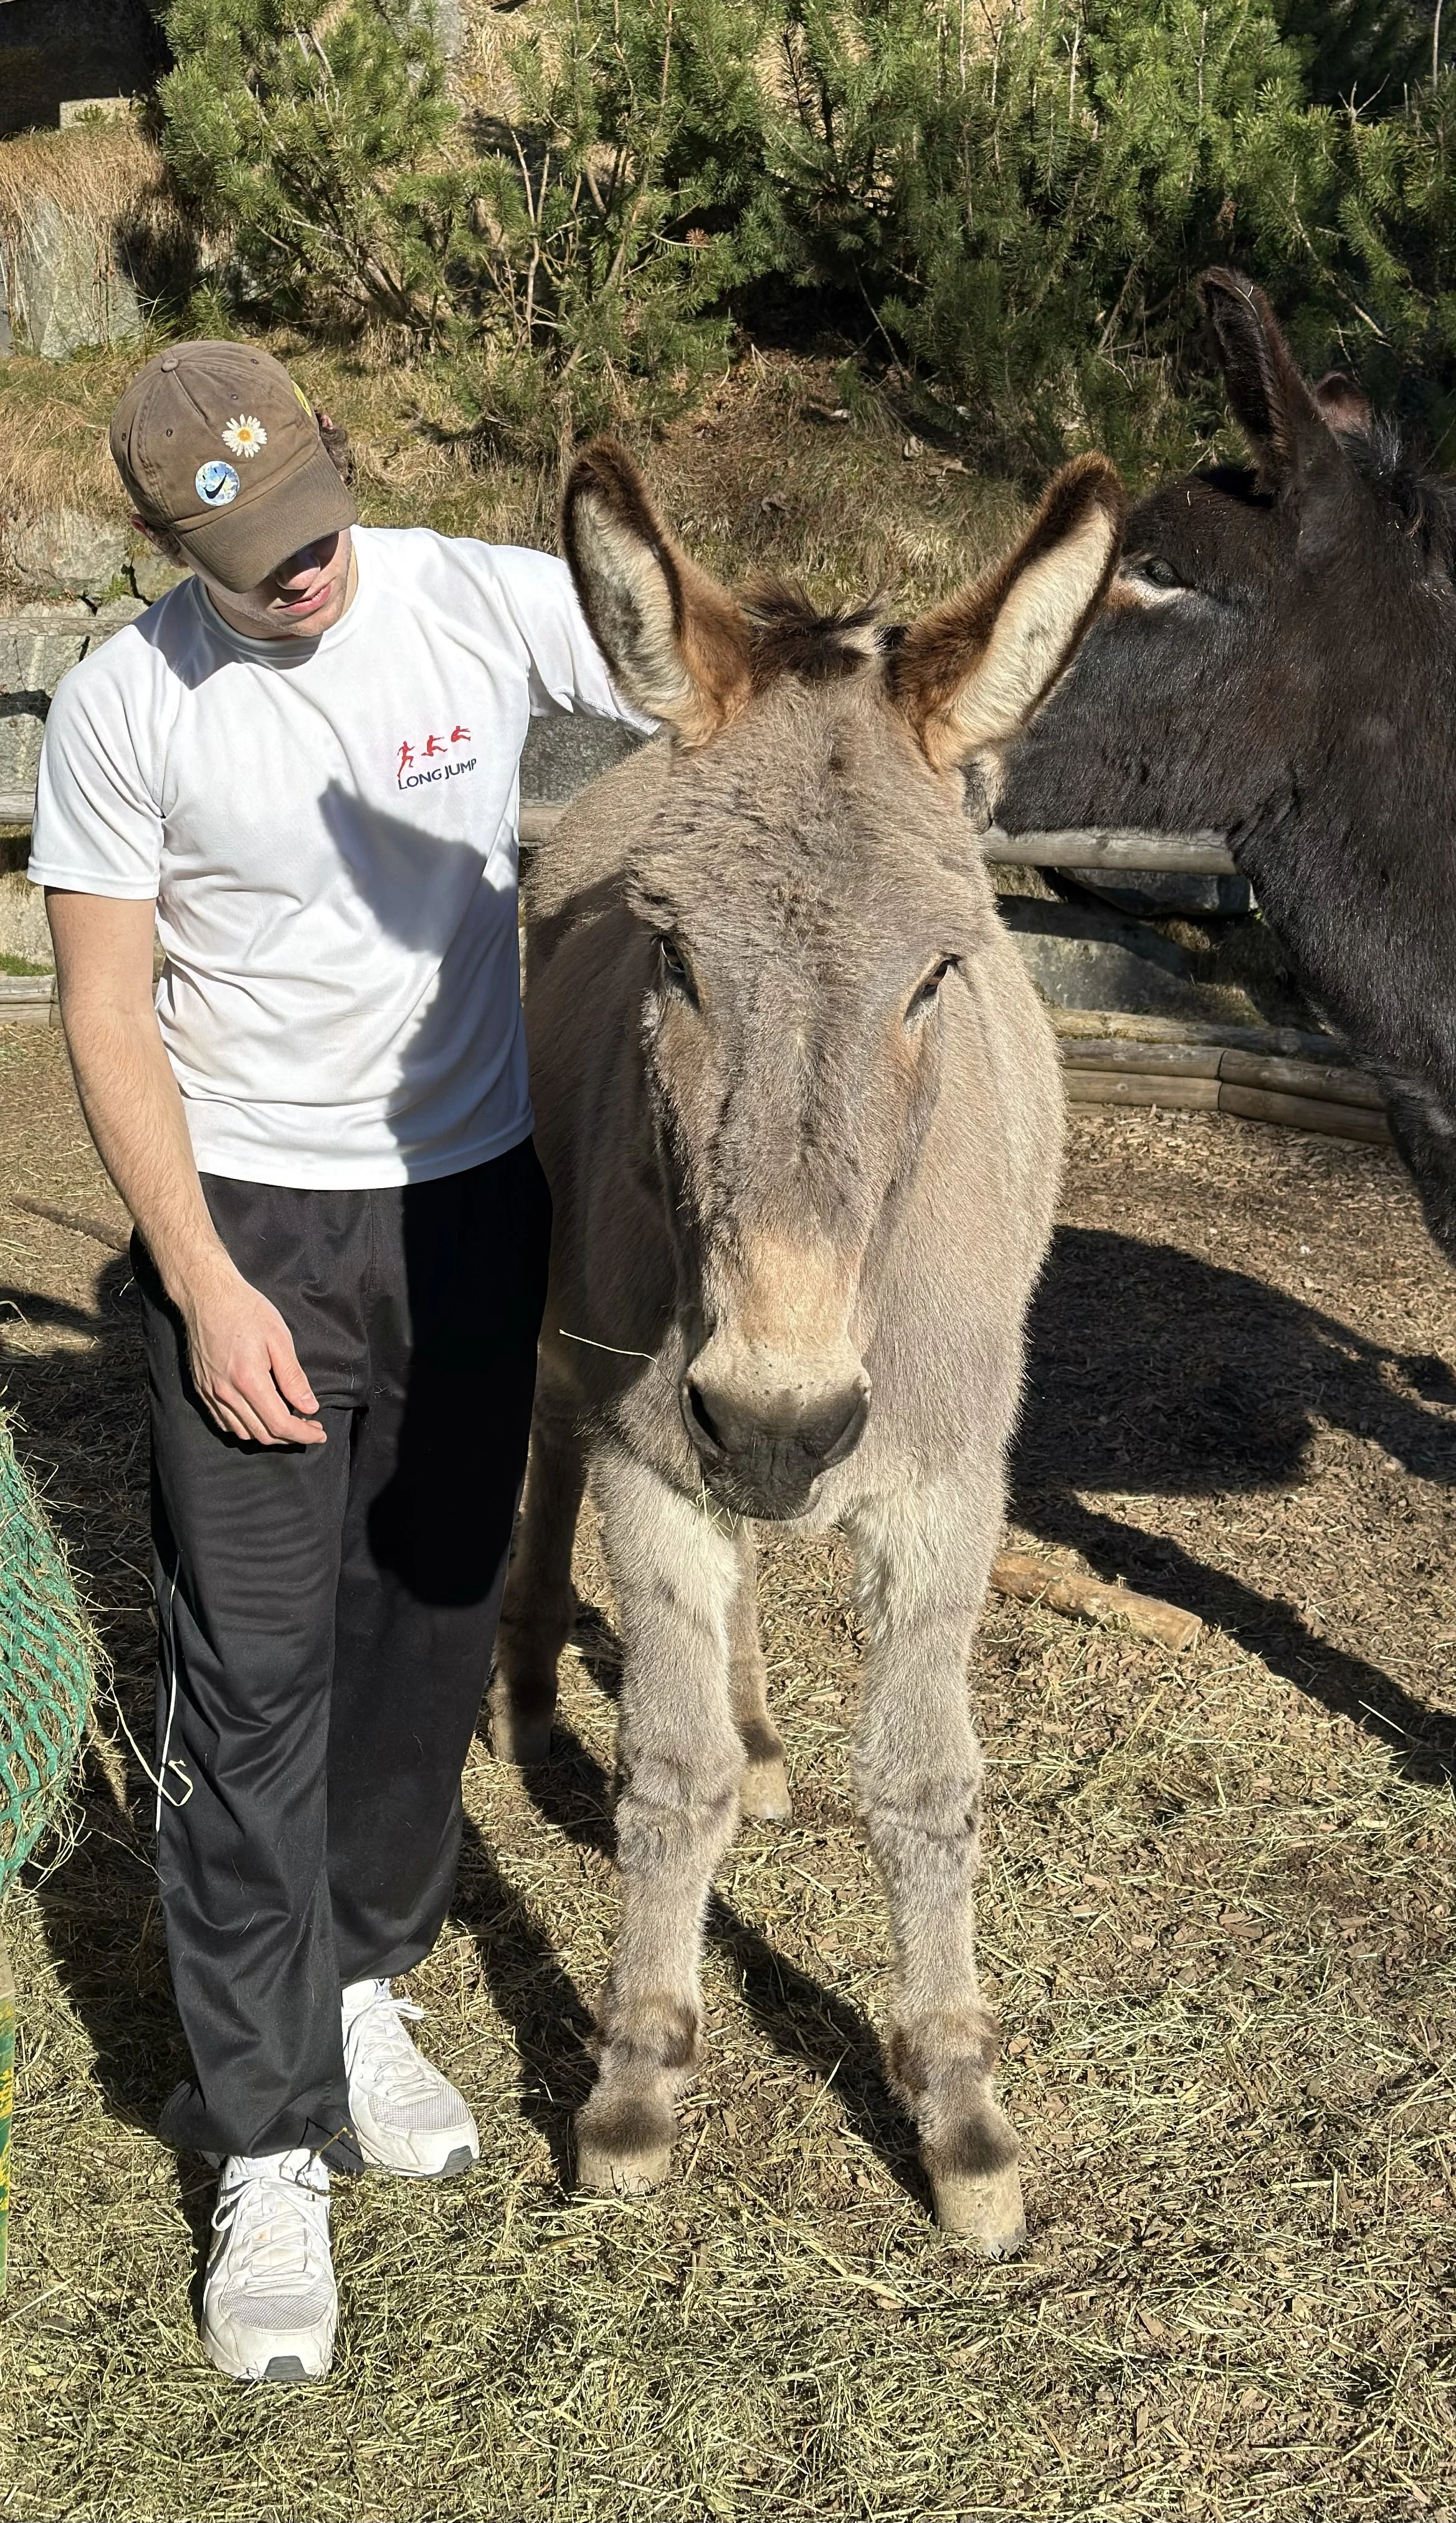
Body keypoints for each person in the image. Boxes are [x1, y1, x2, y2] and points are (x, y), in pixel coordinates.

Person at [28, 341, 651, 2383]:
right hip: (255, 1228)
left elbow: (693, 651)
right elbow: (106, 1015)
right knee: (253, 1675)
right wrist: (200, 1281)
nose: (300, 575)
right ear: (168, 543)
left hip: (473, 1212)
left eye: (312, 526)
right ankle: (264, 2135)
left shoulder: (480, 597)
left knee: (432, 1628)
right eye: (248, 552)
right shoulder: (132, 703)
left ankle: (366, 1973)